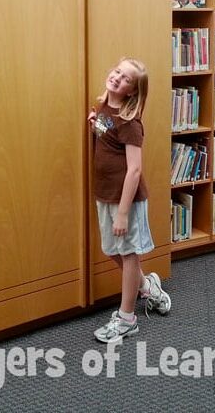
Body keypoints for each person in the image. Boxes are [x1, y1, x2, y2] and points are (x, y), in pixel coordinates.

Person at [88, 57, 171, 343]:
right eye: (117, 72)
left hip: (127, 201)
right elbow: (107, 135)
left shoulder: (130, 122)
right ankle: (147, 286)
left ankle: (126, 319)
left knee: (129, 253)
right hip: (106, 194)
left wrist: (123, 213)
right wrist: (95, 124)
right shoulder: (104, 106)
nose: (117, 78)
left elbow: (134, 169)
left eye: (126, 79)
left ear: (133, 91)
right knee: (111, 249)